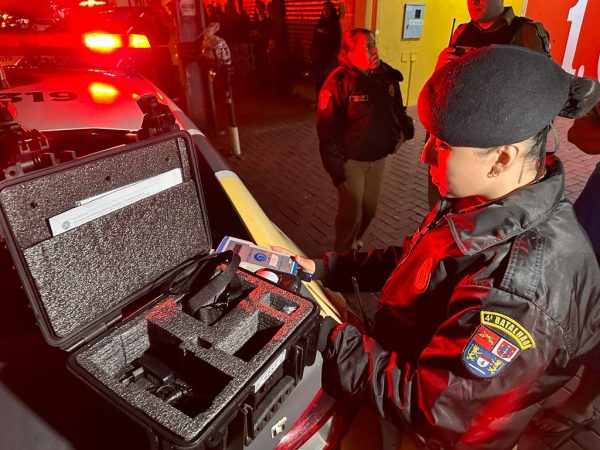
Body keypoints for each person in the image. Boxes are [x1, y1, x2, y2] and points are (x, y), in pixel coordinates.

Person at [294, 46, 600, 448]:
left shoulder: (519, 292)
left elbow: (433, 409)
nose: (424, 156)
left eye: (441, 145)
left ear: (501, 158)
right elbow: (417, 262)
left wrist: (323, 335)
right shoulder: (483, 200)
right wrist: (323, 269)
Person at [427, 0, 551, 208]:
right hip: (451, 139)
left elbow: (537, 95)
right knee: (442, 206)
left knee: (480, 216)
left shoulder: (526, 32)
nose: (474, 2)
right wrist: (440, 68)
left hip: (491, 151)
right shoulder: (461, 31)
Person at [531, 101, 600, 443]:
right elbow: (580, 135)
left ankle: (582, 403)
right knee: (571, 296)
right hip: (595, 218)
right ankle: (545, 373)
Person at [317, 28, 413, 253]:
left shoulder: (385, 75)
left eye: (374, 43)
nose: (374, 49)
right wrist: (336, 172)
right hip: (351, 163)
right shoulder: (337, 83)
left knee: (370, 211)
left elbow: (398, 110)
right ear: (349, 53)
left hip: (378, 161)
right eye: (367, 46)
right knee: (351, 214)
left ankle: (353, 243)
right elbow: (326, 132)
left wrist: (404, 132)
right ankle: (340, 261)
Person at [309, 1, 341, 98]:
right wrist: (311, 52)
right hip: (316, 56)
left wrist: (332, 56)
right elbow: (315, 39)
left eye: (327, 9)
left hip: (326, 58)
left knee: (323, 78)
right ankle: (318, 99)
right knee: (317, 79)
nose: (325, 11)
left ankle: (323, 99)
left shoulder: (334, 25)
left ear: (332, 11)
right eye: (323, 9)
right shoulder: (320, 23)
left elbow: (335, 43)